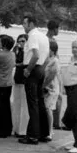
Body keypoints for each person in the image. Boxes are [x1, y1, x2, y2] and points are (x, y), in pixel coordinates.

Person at [20, 15, 50, 145]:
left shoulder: (32, 36)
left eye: (24, 24)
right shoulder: (44, 36)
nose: (23, 26)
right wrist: (40, 69)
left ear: (31, 24)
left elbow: (36, 55)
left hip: (32, 70)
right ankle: (43, 133)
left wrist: (28, 70)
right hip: (40, 70)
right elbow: (46, 57)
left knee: (33, 104)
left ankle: (33, 135)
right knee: (40, 102)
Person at [0, 34, 16, 138]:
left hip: (0, 83)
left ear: (4, 44)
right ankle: (7, 128)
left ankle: (0, 129)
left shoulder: (0, 55)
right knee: (6, 106)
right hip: (8, 83)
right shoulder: (12, 54)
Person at [11, 34, 30, 137]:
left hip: (24, 82)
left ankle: (23, 130)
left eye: (23, 41)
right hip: (17, 80)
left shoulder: (28, 52)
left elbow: (24, 63)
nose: (21, 43)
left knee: (24, 107)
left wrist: (17, 64)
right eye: (19, 41)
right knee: (16, 106)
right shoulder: (17, 51)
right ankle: (16, 128)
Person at [43, 40, 61, 142]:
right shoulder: (48, 59)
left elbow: (52, 75)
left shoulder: (55, 61)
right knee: (47, 109)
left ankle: (50, 132)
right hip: (48, 87)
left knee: (48, 109)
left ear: (52, 50)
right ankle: (47, 130)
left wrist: (44, 85)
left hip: (51, 88)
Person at [47, 20, 63, 130]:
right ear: (54, 29)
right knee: (54, 97)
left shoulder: (53, 40)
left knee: (58, 97)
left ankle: (56, 122)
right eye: (58, 28)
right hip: (51, 70)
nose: (59, 31)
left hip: (57, 70)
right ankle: (54, 123)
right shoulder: (47, 40)